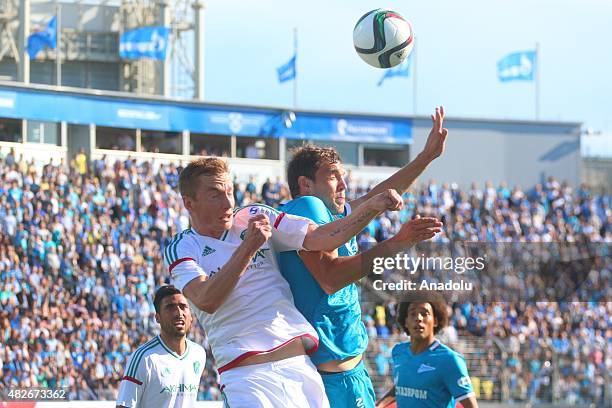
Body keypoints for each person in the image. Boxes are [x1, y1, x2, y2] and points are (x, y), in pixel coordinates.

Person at [164, 157, 415, 407]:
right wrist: (249, 248)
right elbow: (207, 299)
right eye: (215, 195)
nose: (228, 202)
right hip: (247, 379)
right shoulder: (183, 246)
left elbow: (321, 237)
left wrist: (372, 206)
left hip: (299, 369)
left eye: (229, 192)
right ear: (189, 203)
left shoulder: (254, 215)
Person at [279, 106, 449, 407]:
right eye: (333, 177)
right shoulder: (306, 206)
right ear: (306, 185)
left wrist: (426, 157)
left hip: (348, 373)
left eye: (343, 177)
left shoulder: (331, 218)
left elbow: (378, 194)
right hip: (331, 380)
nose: (343, 185)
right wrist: (398, 241)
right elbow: (330, 278)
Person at [376, 291, 478, 408]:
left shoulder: (450, 360)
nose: (418, 318)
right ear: (405, 321)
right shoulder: (398, 352)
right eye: (413, 313)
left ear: (435, 320)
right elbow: (401, 386)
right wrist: (379, 405)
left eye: (424, 313)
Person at [116, 285, 206, 408]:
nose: (178, 313)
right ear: (157, 317)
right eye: (170, 307)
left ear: (191, 315)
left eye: (183, 307)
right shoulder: (144, 358)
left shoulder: (198, 354)